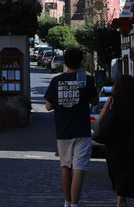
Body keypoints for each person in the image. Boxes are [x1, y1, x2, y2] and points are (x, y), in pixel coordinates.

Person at [45, 46, 98, 207]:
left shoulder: (56, 81)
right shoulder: (86, 80)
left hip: (63, 130)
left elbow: (48, 106)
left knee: (65, 167)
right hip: (81, 129)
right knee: (79, 168)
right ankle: (75, 204)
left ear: (65, 62)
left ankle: (67, 202)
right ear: (80, 61)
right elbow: (95, 102)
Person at [99, 75, 134, 207]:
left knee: (117, 171)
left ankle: (120, 200)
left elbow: (101, 118)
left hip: (113, 142)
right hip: (131, 142)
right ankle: (122, 200)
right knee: (128, 171)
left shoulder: (112, 100)